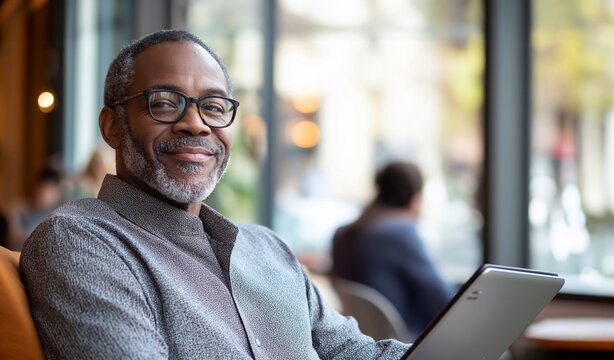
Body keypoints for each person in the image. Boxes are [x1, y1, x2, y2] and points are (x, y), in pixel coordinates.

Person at [19, 30, 409, 359]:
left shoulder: (268, 249)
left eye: (214, 106)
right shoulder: (80, 242)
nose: (195, 124)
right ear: (113, 128)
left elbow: (359, 353)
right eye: (165, 103)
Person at [331, 161, 457, 338]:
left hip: (358, 342)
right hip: (404, 345)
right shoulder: (400, 234)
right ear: (415, 200)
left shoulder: (343, 234)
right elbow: (445, 299)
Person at [6, 166, 63, 250]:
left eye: (50, 191)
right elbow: (14, 241)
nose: (45, 195)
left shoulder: (58, 213)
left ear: (57, 194)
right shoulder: (18, 208)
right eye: (42, 189)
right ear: (35, 188)